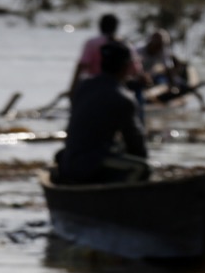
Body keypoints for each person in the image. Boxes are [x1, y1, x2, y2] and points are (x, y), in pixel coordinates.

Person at [53, 41, 150, 185]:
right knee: (143, 168)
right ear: (126, 66)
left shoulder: (84, 86)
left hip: (68, 158)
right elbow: (136, 144)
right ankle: (121, 198)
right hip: (87, 163)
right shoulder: (124, 98)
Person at [68, 13, 143, 97]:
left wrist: (72, 89)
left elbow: (81, 66)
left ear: (100, 26)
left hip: (94, 85)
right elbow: (136, 70)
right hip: (118, 86)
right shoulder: (126, 44)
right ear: (116, 27)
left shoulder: (92, 43)